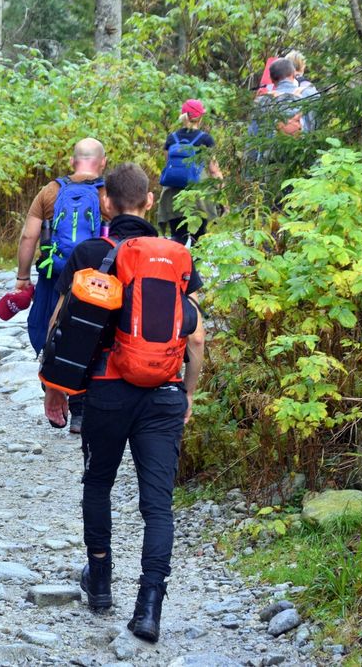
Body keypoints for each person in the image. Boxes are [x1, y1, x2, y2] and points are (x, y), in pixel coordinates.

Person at [44, 162, 206, 643]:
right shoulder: (177, 257)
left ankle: (99, 585)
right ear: (151, 202)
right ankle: (149, 607)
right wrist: (188, 393)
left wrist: (56, 390)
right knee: (157, 505)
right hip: (164, 395)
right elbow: (196, 338)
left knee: (98, 485)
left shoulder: (93, 253)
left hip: (107, 392)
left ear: (105, 203)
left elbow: (62, 326)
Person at [14, 138, 110, 433]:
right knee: (91, 336)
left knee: (47, 327)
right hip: (95, 279)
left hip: (53, 275)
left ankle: (54, 386)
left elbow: (29, 237)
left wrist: (22, 276)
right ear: (102, 162)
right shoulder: (108, 194)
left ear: (72, 162)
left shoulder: (50, 192)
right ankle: (81, 411)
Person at [157, 99, 223, 246]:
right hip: (198, 199)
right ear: (200, 117)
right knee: (198, 240)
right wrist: (222, 197)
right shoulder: (205, 139)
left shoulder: (171, 139)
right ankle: (195, 268)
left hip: (173, 198)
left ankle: (178, 267)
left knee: (177, 239)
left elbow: (169, 166)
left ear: (183, 116)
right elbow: (214, 170)